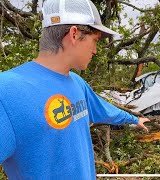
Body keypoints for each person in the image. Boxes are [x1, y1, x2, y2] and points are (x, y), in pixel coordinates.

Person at [0, 0, 149, 178]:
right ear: (74, 34)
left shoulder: (77, 83)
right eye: (95, 40)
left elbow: (104, 109)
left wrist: (133, 119)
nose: (95, 50)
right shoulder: (7, 91)